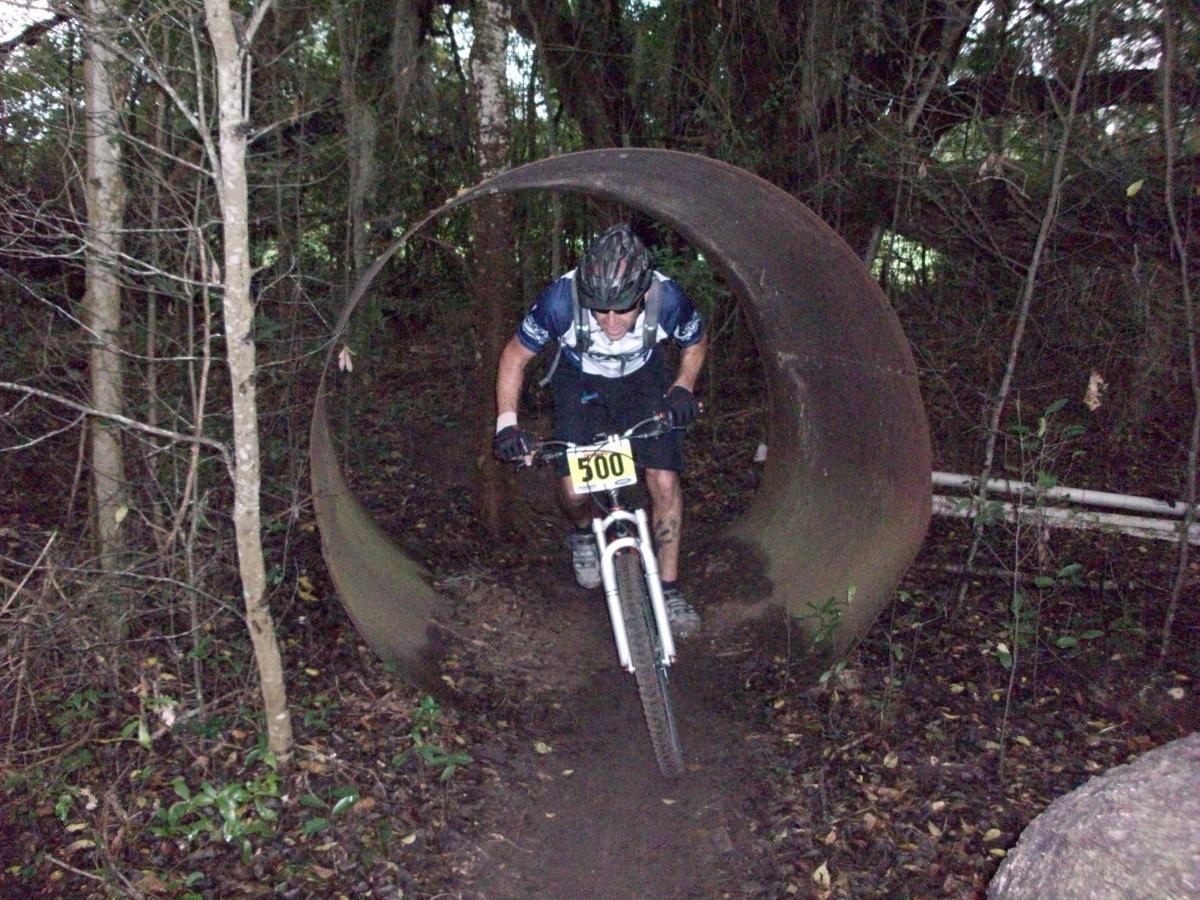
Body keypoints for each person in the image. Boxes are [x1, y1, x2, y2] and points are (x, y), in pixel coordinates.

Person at [492, 224, 708, 637]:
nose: (610, 322)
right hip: (581, 383)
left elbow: (695, 342)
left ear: (643, 294)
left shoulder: (668, 300)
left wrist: (683, 386)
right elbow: (514, 356)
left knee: (663, 480)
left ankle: (668, 588)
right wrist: (507, 424)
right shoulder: (559, 301)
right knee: (574, 490)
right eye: (599, 310)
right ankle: (583, 534)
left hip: (644, 379)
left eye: (622, 310)